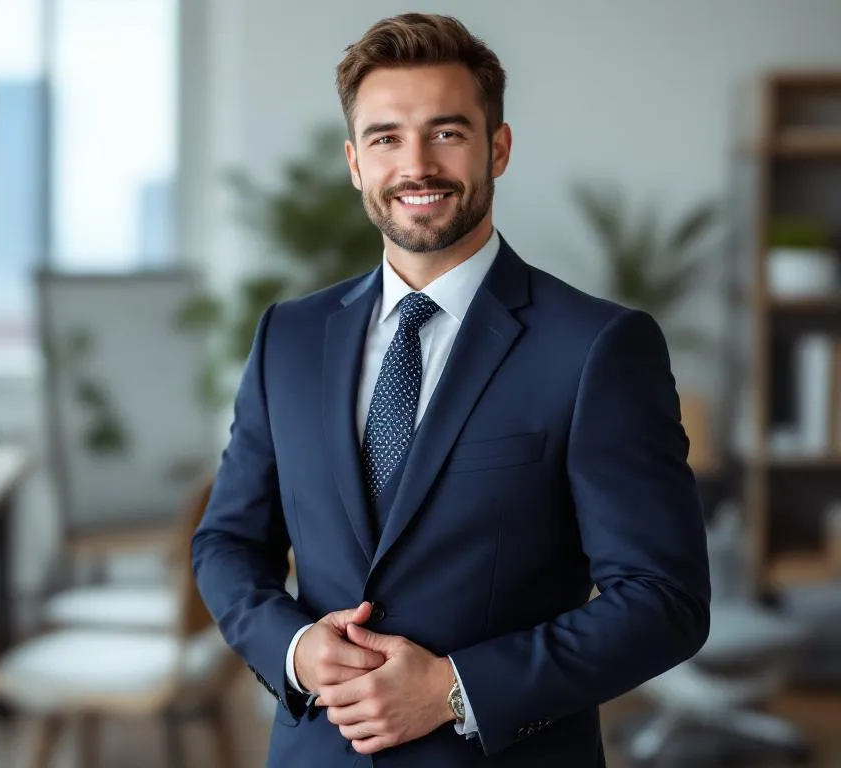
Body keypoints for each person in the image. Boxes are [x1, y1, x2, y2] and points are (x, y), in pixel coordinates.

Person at [190, 12, 711, 767]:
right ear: (354, 162)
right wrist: (298, 650)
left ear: (497, 148)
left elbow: (665, 601)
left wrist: (455, 688)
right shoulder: (289, 339)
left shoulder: (598, 347)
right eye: (386, 138)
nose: (416, 165)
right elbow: (227, 543)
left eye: (447, 132)